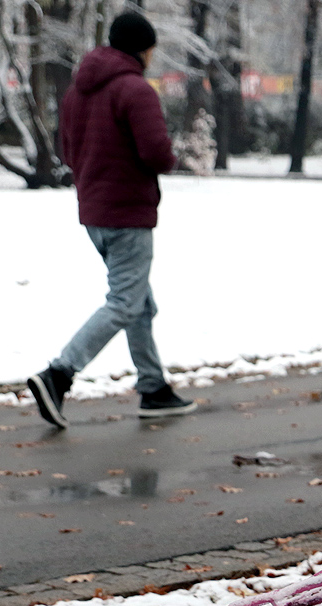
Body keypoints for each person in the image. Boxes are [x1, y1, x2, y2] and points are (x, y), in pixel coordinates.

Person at [27, 10, 194, 428]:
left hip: (94, 214)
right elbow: (156, 153)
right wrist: (172, 156)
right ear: (141, 47)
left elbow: (67, 152)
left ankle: (153, 388)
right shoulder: (134, 90)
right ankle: (59, 374)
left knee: (139, 303)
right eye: (152, 48)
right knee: (124, 303)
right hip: (129, 213)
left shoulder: (76, 91)